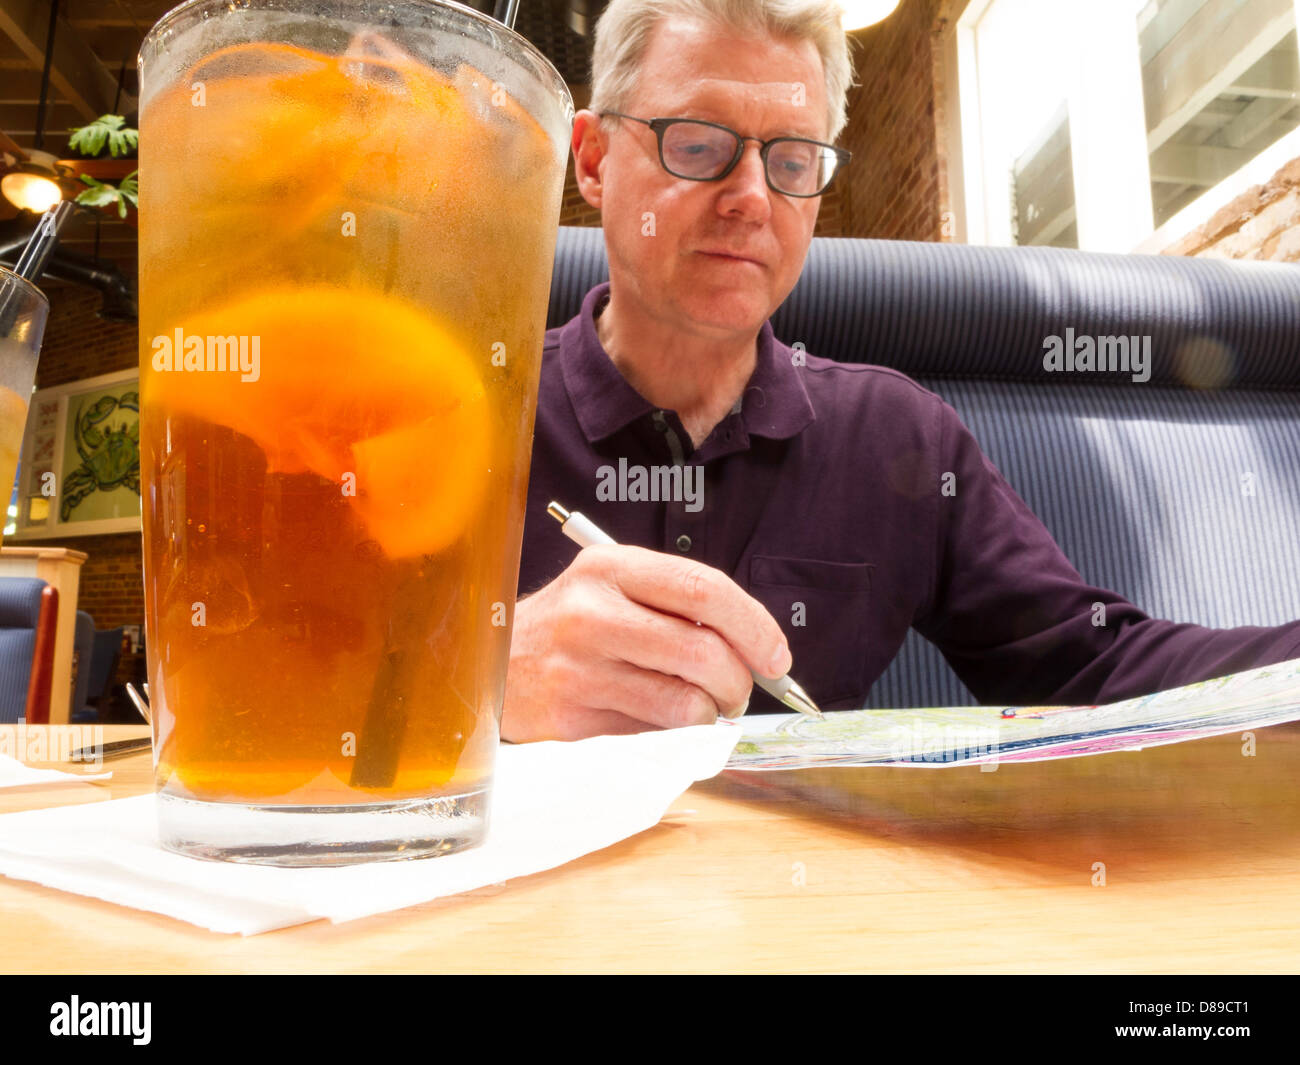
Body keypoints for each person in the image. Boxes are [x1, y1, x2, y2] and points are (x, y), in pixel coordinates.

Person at [499, 0, 1300, 743]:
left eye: (793, 159)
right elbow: (369, 666)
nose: (751, 197)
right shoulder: (473, 406)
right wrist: (488, 678)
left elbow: (1088, 667)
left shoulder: (898, 441)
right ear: (595, 161)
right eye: (700, 145)